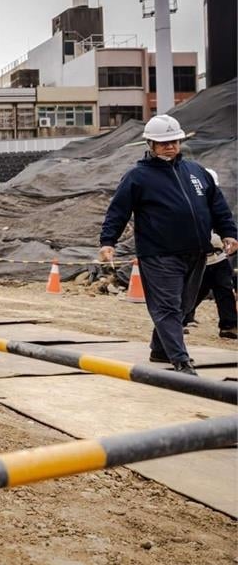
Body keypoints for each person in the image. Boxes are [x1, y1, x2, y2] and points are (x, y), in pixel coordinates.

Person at [100, 115, 238, 374]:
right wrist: (108, 241)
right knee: (167, 306)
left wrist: (229, 233)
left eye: (174, 141)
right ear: (150, 144)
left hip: (196, 252)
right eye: (163, 143)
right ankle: (180, 360)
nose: (170, 146)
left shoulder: (197, 172)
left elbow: (217, 206)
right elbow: (118, 210)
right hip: (159, 254)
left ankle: (160, 350)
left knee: (185, 305)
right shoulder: (138, 176)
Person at [183, 169, 238, 340]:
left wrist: (229, 237)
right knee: (194, 291)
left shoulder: (217, 205)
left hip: (218, 257)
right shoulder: (189, 206)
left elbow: (225, 221)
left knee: (224, 289)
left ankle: (229, 325)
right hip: (197, 258)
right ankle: (180, 320)